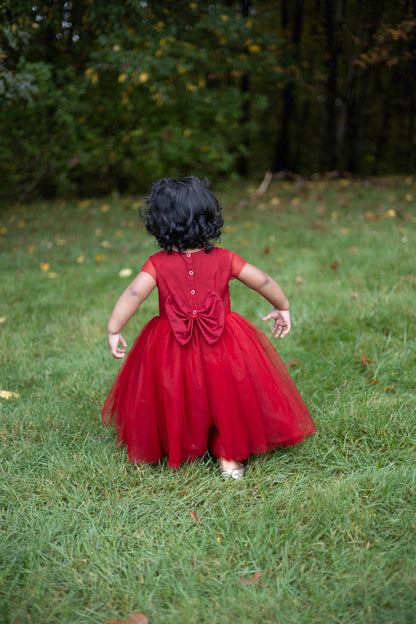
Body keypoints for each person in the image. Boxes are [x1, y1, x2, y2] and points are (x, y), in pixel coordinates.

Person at [102, 177, 315, 479]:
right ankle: (229, 458)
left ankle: (181, 443)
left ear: (158, 223)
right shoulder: (225, 259)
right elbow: (263, 280)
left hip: (174, 344)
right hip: (222, 342)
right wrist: (282, 306)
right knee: (226, 395)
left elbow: (135, 294)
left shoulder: (157, 264)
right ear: (209, 218)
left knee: (178, 391)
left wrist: (114, 328)